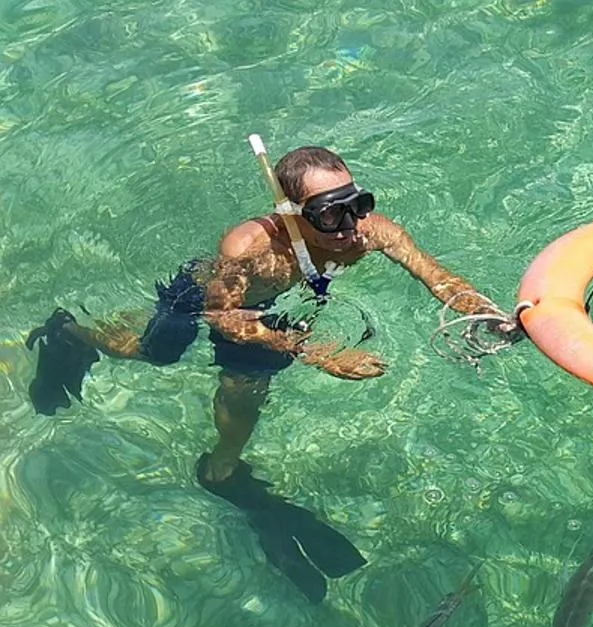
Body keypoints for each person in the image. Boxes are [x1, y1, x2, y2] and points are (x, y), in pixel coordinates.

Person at [25, 144, 516, 601]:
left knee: (250, 385)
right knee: (156, 352)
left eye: (356, 203)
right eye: (329, 211)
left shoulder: (369, 231)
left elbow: (435, 275)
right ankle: (71, 331)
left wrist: (484, 313)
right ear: (289, 212)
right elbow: (225, 318)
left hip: (274, 302)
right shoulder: (249, 248)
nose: (349, 224)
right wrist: (319, 352)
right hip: (214, 299)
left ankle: (222, 466)